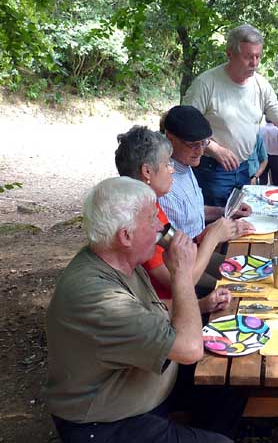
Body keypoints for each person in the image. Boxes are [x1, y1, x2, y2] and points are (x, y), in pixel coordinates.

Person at [43, 177, 232, 443]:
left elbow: (150, 309)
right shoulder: (97, 297)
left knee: (228, 384)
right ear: (126, 235)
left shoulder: (120, 260)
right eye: (152, 219)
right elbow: (189, 349)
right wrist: (182, 273)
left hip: (146, 389)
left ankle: (201, 426)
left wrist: (202, 304)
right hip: (105, 423)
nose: (160, 226)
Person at [182, 24, 278, 206]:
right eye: (248, 57)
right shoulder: (206, 83)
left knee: (240, 221)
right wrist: (213, 147)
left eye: (258, 56)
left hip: (243, 168)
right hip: (211, 170)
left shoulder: (261, 85)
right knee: (215, 223)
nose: (255, 63)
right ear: (230, 54)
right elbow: (185, 123)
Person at [115, 125, 250, 313]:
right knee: (237, 292)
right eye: (166, 165)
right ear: (147, 172)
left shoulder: (151, 205)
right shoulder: (138, 221)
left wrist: (201, 237)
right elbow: (180, 282)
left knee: (245, 274)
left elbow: (175, 244)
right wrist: (213, 238)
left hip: (170, 303)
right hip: (164, 314)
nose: (172, 171)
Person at [159, 105, 253, 240]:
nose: (200, 151)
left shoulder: (184, 164)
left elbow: (193, 212)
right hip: (191, 256)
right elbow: (174, 251)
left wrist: (226, 211)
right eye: (192, 144)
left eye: (203, 143)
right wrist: (212, 235)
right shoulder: (164, 183)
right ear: (170, 138)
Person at [260, 118, 278, 185]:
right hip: (275, 157)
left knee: (263, 179)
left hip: (263, 156)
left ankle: (261, 193)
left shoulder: (260, 129)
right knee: (276, 179)